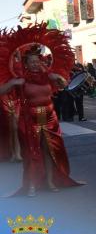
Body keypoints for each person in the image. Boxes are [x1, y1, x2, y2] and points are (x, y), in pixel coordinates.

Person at [0, 45, 82, 196]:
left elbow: (64, 85)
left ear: (42, 62)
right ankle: (31, 185)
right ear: (26, 64)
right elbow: (2, 90)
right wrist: (12, 83)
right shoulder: (21, 80)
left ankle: (50, 182)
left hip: (50, 118)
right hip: (31, 120)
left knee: (49, 151)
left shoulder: (48, 76)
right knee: (32, 153)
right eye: (31, 62)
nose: (35, 64)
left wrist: (61, 79)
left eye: (37, 61)